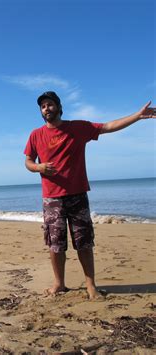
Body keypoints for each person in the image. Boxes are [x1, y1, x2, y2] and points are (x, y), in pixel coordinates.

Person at [24, 91, 155, 299]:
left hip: (77, 195)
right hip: (52, 198)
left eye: (50, 104)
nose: (46, 109)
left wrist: (137, 116)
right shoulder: (36, 135)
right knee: (56, 243)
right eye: (43, 106)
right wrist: (39, 167)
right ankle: (59, 284)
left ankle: (91, 285)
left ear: (58, 106)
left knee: (84, 241)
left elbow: (108, 127)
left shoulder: (78, 128)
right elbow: (28, 161)